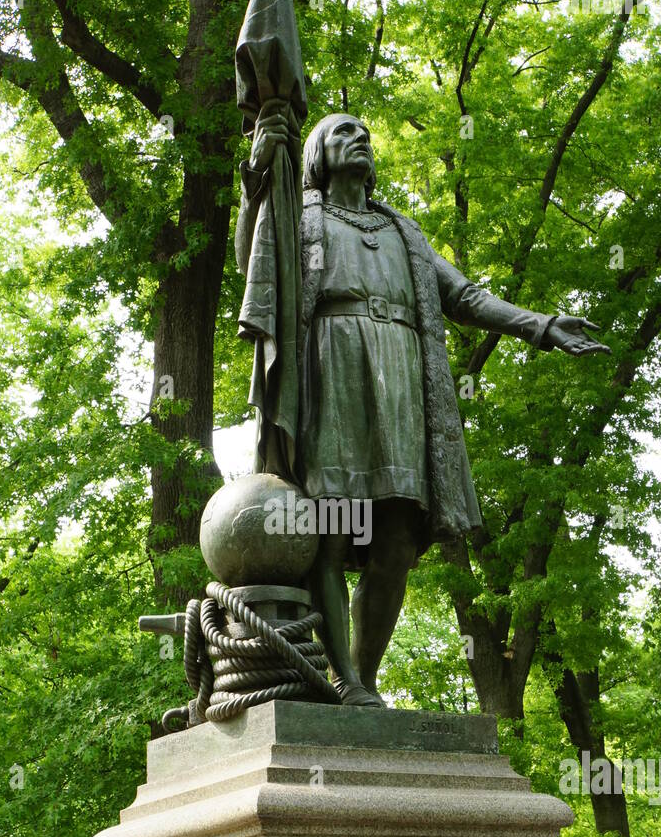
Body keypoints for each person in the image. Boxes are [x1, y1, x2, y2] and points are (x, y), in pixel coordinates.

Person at [236, 109, 610, 704]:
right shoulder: (300, 217)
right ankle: (348, 683)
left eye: (365, 132)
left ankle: (366, 675)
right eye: (343, 132)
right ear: (316, 155)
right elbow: (252, 262)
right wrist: (257, 180)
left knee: (396, 546)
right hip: (333, 372)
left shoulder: (401, 232)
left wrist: (538, 325)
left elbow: (463, 295)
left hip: (401, 385)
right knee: (332, 531)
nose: (360, 138)